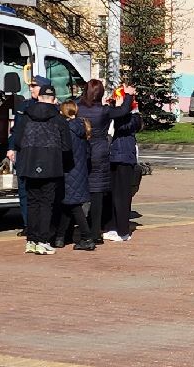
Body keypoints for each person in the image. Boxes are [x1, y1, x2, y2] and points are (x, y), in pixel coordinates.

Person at [9, 76, 69, 255]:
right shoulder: (58, 119)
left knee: (33, 202)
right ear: (53, 100)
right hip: (50, 165)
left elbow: (17, 140)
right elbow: (66, 146)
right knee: (46, 204)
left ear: (39, 97)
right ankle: (43, 240)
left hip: (28, 164)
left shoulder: (26, 116)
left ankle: (32, 240)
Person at [57, 99, 99, 250]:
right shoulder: (82, 127)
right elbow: (87, 152)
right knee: (68, 205)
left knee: (73, 205)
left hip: (69, 170)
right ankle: (60, 236)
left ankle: (87, 237)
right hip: (80, 170)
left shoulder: (66, 128)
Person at [78, 81, 116, 244]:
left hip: (81, 149)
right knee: (97, 194)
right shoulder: (104, 111)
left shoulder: (79, 107)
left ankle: (76, 230)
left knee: (77, 192)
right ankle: (95, 232)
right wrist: (126, 98)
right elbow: (122, 111)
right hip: (100, 150)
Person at [106, 86, 142, 241]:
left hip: (124, 158)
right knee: (112, 195)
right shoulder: (114, 113)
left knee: (122, 196)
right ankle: (113, 227)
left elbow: (124, 126)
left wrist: (124, 105)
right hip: (112, 157)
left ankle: (123, 231)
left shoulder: (133, 117)